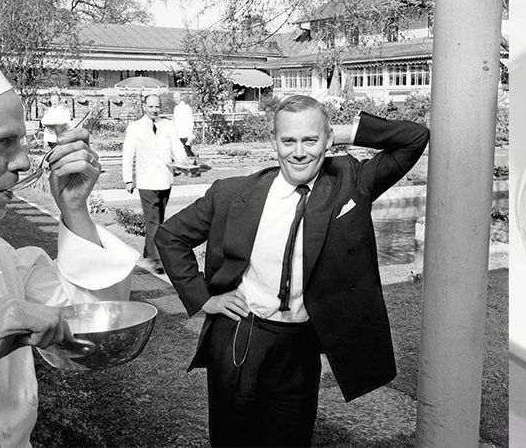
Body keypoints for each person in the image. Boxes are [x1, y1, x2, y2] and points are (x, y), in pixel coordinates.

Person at [156, 95, 429, 446]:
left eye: (310, 140)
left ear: (328, 140)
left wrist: (340, 131)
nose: (299, 152)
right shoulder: (231, 193)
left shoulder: (350, 181)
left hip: (299, 348)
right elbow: (170, 236)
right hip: (242, 336)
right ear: (274, 142)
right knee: (232, 440)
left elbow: (414, 137)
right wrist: (204, 297)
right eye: (288, 140)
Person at [0, 55, 137, 446]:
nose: (22, 161)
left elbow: (90, 323)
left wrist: (73, 207)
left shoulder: (0, 257)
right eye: (2, 142)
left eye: (21, 141)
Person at [122, 93, 188, 271]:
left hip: (164, 180)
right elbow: (128, 154)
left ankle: (147, 252)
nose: (154, 110)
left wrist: (184, 162)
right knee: (153, 220)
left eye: (157, 106)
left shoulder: (167, 125)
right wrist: (128, 179)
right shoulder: (135, 127)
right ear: (144, 106)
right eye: (150, 106)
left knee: (158, 218)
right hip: (146, 181)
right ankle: (155, 259)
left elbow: (177, 147)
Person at [172, 95, 200, 177]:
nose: (175, 99)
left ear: (181, 98)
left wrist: (190, 135)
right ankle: (177, 169)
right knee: (176, 152)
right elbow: (175, 121)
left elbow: (190, 121)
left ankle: (195, 170)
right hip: (177, 133)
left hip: (185, 133)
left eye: (177, 97)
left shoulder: (186, 107)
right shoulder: (176, 108)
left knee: (188, 153)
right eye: (174, 98)